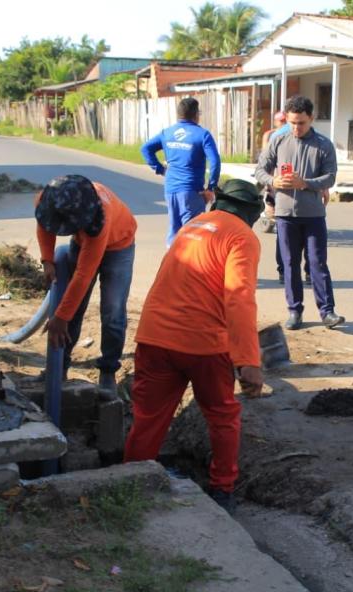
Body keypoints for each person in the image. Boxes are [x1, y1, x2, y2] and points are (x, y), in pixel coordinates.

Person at [123, 179, 265, 513]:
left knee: (149, 417)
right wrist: (248, 361)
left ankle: (130, 484)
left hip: (154, 336)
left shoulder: (192, 225)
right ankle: (222, 490)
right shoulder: (242, 236)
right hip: (202, 344)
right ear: (252, 212)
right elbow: (239, 298)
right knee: (222, 416)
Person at [35, 174, 137, 393]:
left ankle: (108, 371)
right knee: (74, 307)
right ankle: (59, 366)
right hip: (82, 241)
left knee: (112, 311)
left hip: (119, 245)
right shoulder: (49, 198)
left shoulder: (99, 218)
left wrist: (60, 318)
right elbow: (44, 226)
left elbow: (83, 275)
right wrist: (47, 260)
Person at [254, 95, 342, 330]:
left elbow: (331, 176)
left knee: (317, 263)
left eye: (301, 123)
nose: (296, 128)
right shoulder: (279, 140)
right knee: (290, 264)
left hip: (313, 214)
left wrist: (307, 183)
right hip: (285, 215)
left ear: (311, 119)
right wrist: (273, 181)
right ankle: (295, 311)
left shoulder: (323, 145)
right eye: (292, 122)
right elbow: (260, 169)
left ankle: (327, 312)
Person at [141, 97, 221, 246]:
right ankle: (188, 268)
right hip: (191, 192)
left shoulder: (167, 133)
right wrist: (211, 188)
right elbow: (215, 161)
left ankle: (171, 265)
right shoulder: (202, 134)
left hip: (170, 190)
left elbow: (145, 148)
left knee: (174, 231)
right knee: (192, 235)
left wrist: (159, 169)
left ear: (179, 114)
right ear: (196, 114)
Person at [261, 110, 311, 286]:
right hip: (281, 191)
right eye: (284, 120)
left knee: (297, 236)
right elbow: (263, 166)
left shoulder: (313, 138)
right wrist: (271, 183)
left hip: (305, 195)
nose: (295, 126)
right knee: (284, 235)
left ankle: (301, 272)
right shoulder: (275, 137)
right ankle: (286, 271)